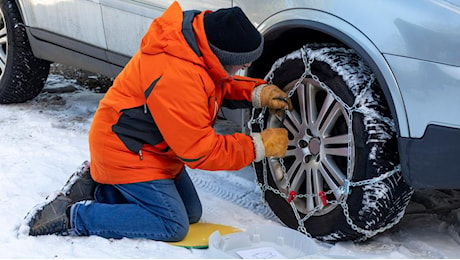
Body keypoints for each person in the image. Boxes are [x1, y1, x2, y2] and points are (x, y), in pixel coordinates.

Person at [27, 1, 291, 241]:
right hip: (126, 152)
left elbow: (215, 83)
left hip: (153, 149)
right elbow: (200, 151)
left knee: (191, 212)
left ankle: (99, 187)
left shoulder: (196, 44)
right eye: (239, 65)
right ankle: (73, 215)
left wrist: (256, 93)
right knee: (172, 224)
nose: (241, 70)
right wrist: (258, 146)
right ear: (221, 56)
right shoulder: (177, 76)